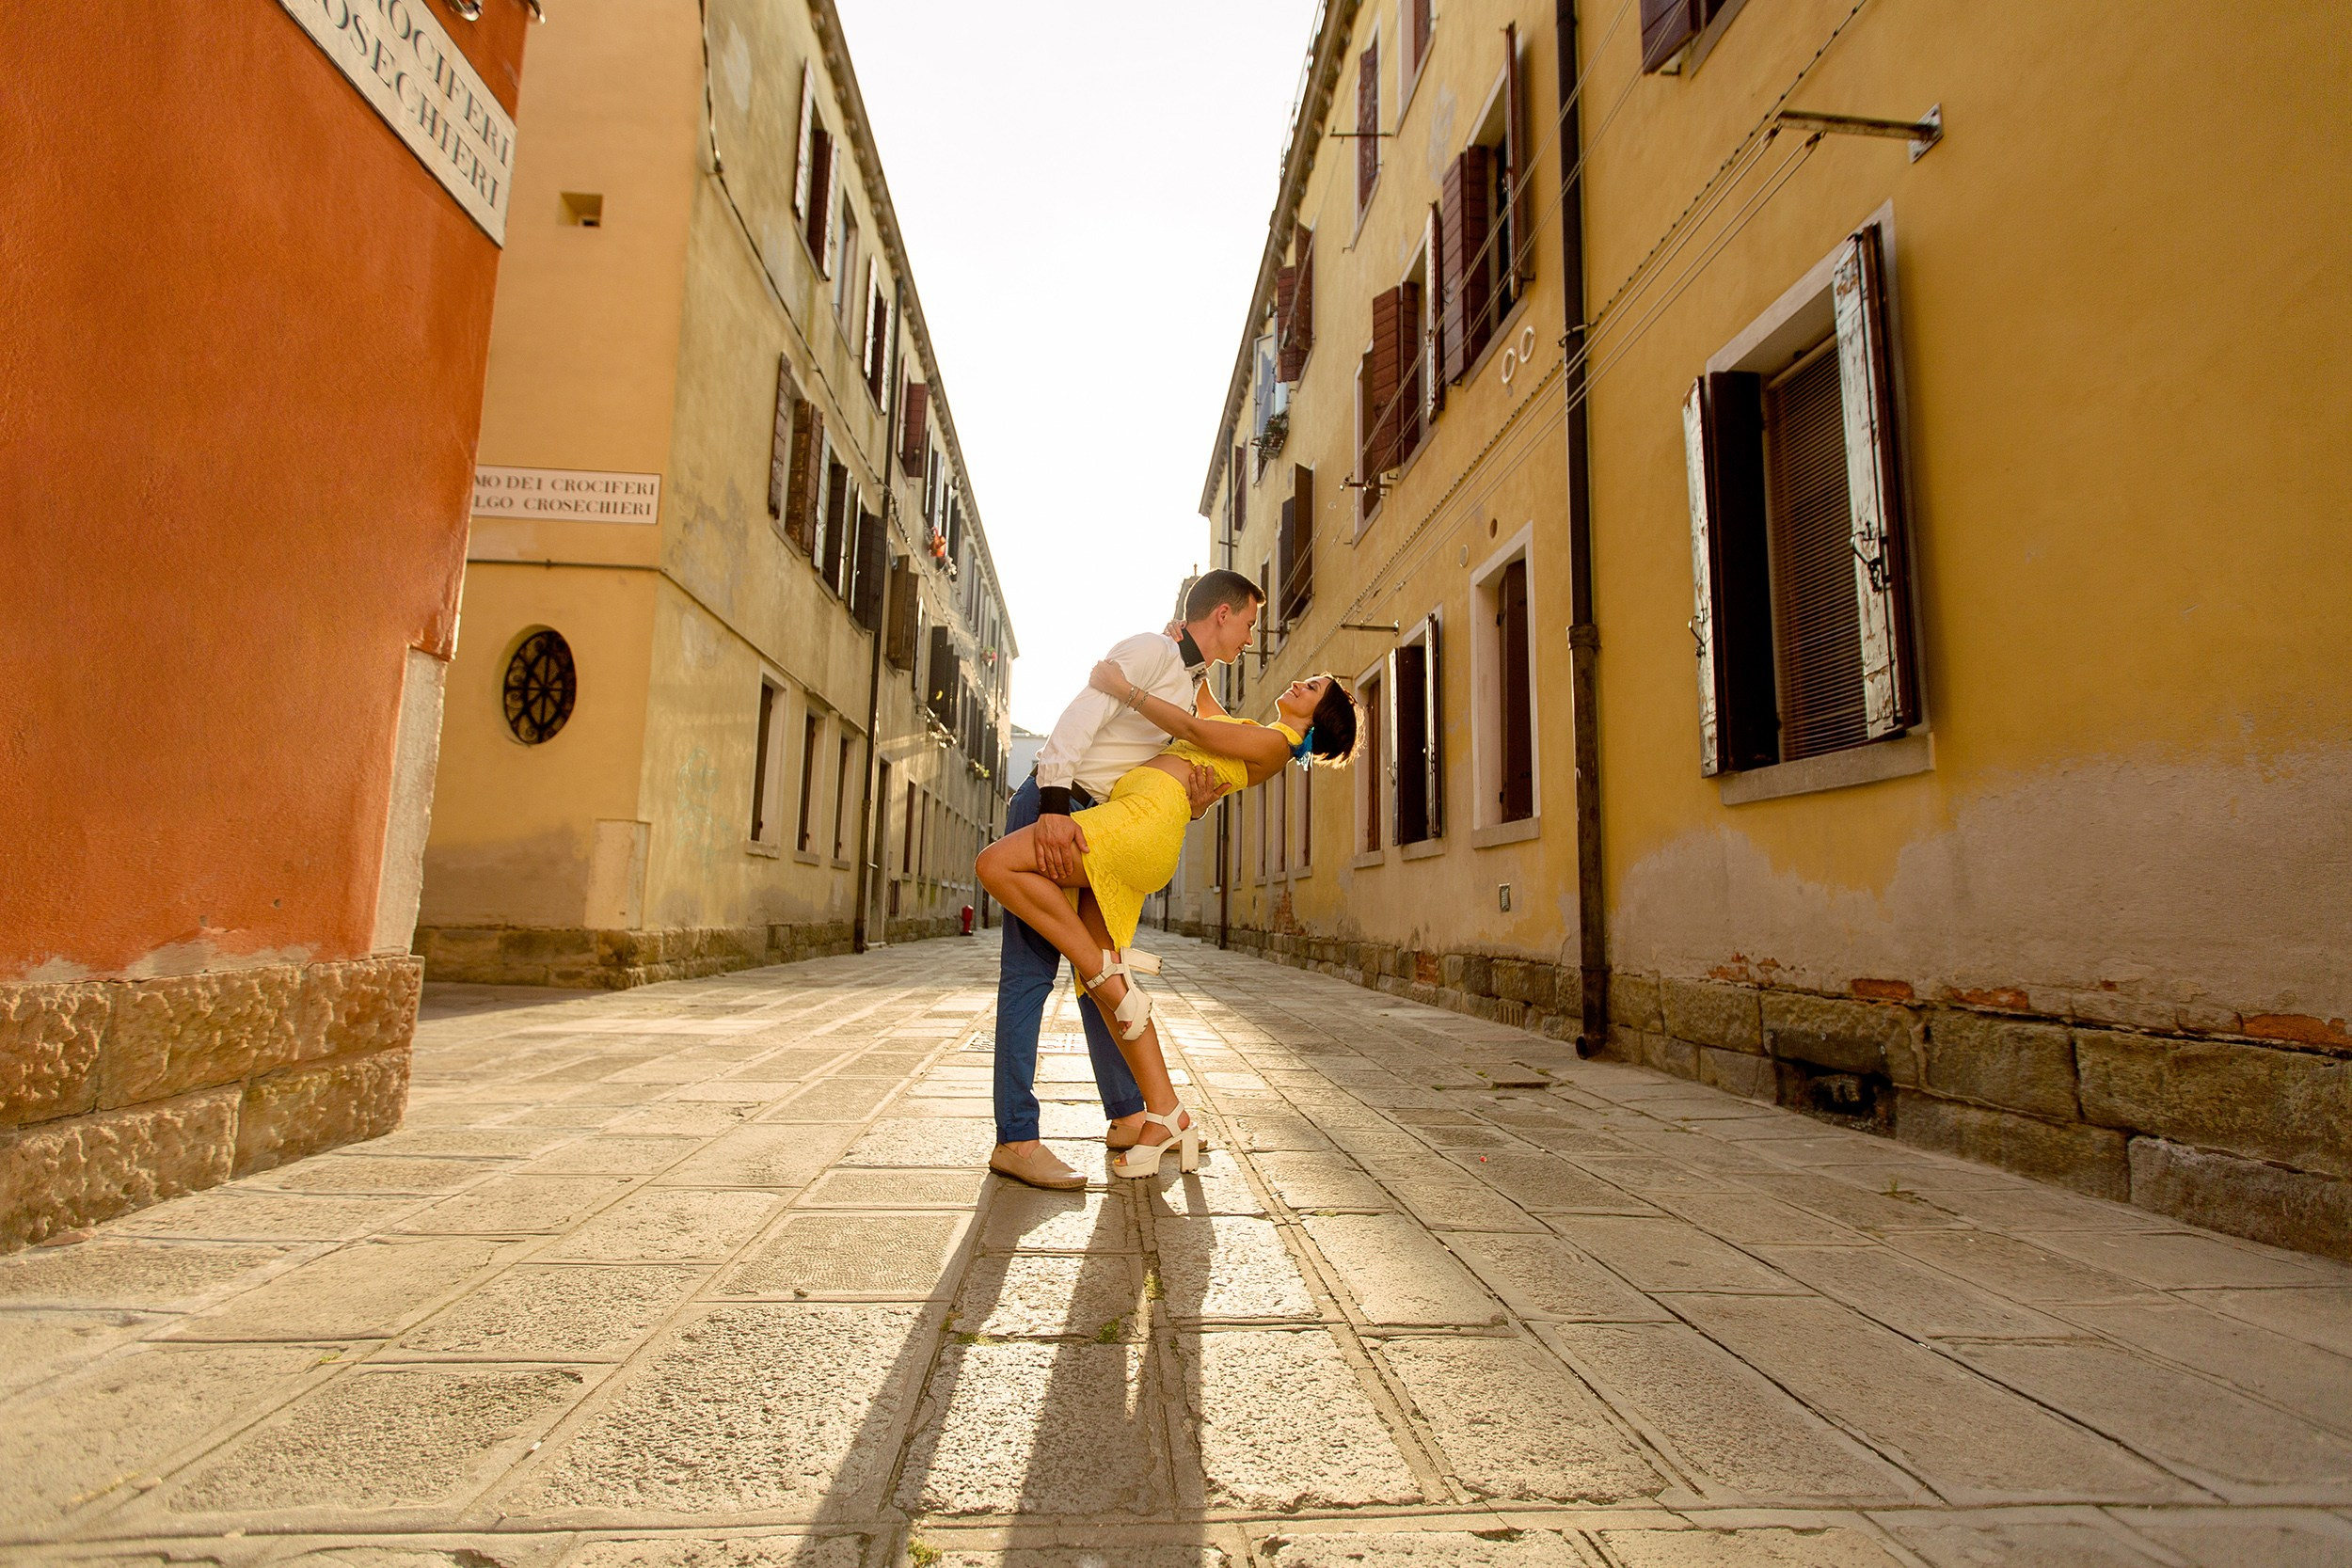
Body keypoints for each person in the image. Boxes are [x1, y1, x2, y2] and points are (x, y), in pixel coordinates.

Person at [977, 635, 1360, 1180]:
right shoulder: (1258, 734)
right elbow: (1199, 704)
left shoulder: (1276, 744)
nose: (1301, 682)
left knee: (998, 868)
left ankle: (1100, 986)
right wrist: (1187, 649)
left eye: (1314, 687)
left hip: (1135, 827)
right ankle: (1159, 1114)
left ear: (1317, 717)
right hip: (1138, 823)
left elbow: (1195, 729)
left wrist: (1125, 689)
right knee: (1101, 980)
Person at [981, 571, 1263, 1191]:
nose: (1250, 636)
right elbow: (1077, 720)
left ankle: (1129, 1114)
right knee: (1030, 973)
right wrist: (1053, 805)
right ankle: (1017, 1139)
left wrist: (1193, 796)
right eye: (1248, 622)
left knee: (1098, 970)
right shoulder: (1151, 649)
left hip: (1095, 822)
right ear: (1221, 613)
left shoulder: (1188, 689)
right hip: (1055, 807)